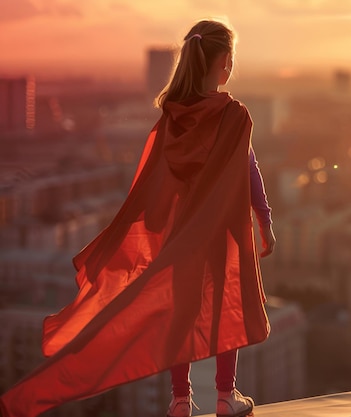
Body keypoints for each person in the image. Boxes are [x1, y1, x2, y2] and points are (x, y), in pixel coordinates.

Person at [0, 19, 275, 417]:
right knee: (224, 305)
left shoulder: (172, 118)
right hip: (221, 233)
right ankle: (225, 396)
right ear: (226, 63)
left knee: (179, 314)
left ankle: (180, 400)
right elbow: (250, 171)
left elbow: (153, 182)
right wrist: (264, 220)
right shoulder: (234, 115)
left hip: (181, 235)